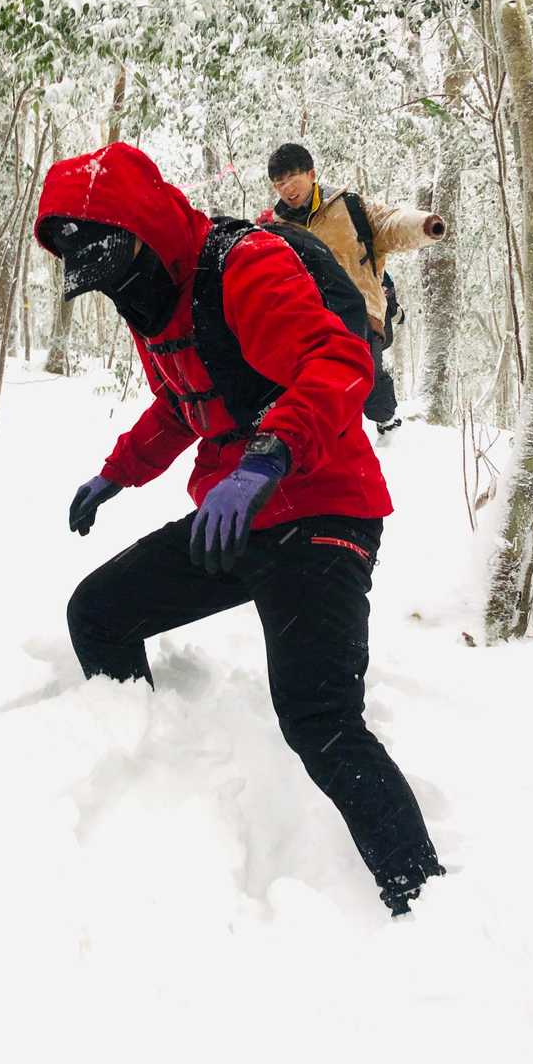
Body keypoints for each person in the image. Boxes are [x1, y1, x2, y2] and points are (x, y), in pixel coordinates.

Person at [34, 141, 445, 917]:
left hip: (322, 507)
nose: (117, 293)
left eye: (119, 272)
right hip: (235, 518)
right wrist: (116, 474)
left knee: (320, 720)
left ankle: (424, 901)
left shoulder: (244, 266)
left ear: (145, 237)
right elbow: (180, 402)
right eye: (100, 283)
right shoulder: (152, 301)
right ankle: (157, 772)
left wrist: (269, 455)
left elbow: (338, 361)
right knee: (98, 612)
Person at [258, 143, 445, 434]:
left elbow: (389, 223)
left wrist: (424, 225)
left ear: (311, 174)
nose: (287, 189)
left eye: (292, 179)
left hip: (360, 315)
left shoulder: (349, 207)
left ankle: (387, 421)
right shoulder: (276, 226)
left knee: (367, 384)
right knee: (321, 391)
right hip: (311, 324)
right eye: (279, 183)